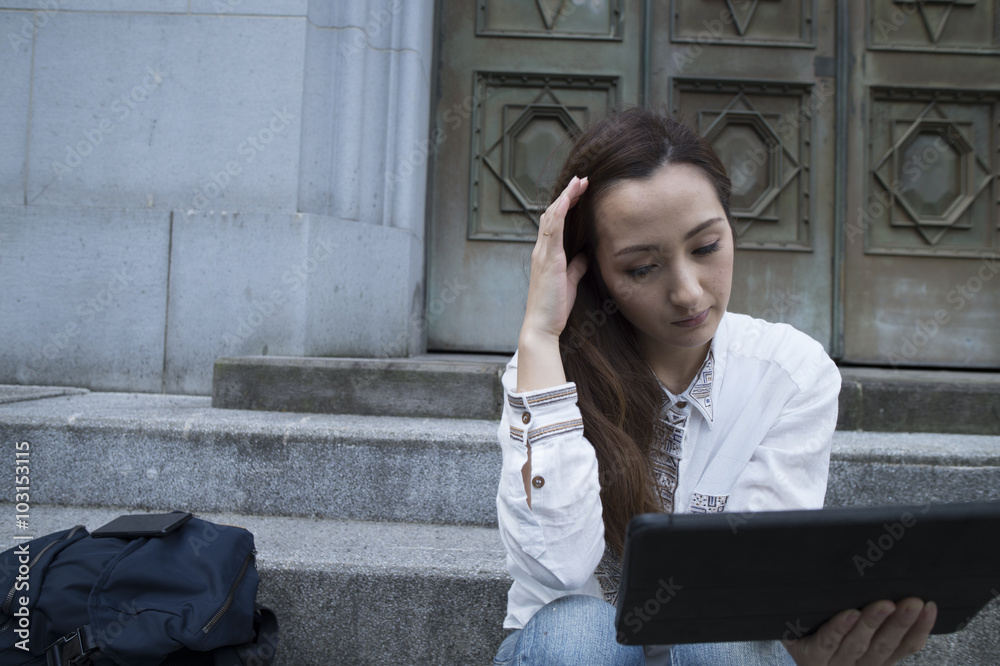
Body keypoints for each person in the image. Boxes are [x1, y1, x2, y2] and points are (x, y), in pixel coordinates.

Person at [493, 107, 936, 665]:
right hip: (569, 654)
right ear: (591, 271)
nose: (688, 292)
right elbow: (560, 568)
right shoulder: (544, 375)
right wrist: (538, 336)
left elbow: (756, 586)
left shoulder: (790, 373)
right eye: (640, 268)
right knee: (579, 630)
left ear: (730, 225)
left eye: (705, 248)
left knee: (716, 631)